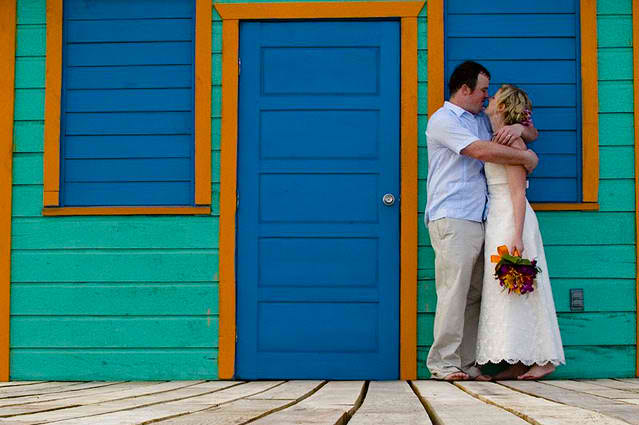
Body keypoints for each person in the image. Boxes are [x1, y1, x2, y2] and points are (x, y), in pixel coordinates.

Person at [425, 61, 539, 381]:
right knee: (453, 292)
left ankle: (468, 363)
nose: (487, 97)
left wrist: (519, 130)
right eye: (483, 90)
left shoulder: (479, 120)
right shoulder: (443, 120)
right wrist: (527, 158)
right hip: (454, 216)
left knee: (475, 293)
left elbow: (529, 130)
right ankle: (444, 363)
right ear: (465, 90)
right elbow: (480, 151)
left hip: (481, 219)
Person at [475, 84, 565, 379]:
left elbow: (517, 193)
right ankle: (518, 358)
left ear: (502, 107)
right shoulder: (498, 136)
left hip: (514, 220)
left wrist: (516, 235)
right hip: (499, 218)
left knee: (524, 288)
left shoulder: (513, 145)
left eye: (495, 95)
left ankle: (544, 358)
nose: (489, 98)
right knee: (506, 290)